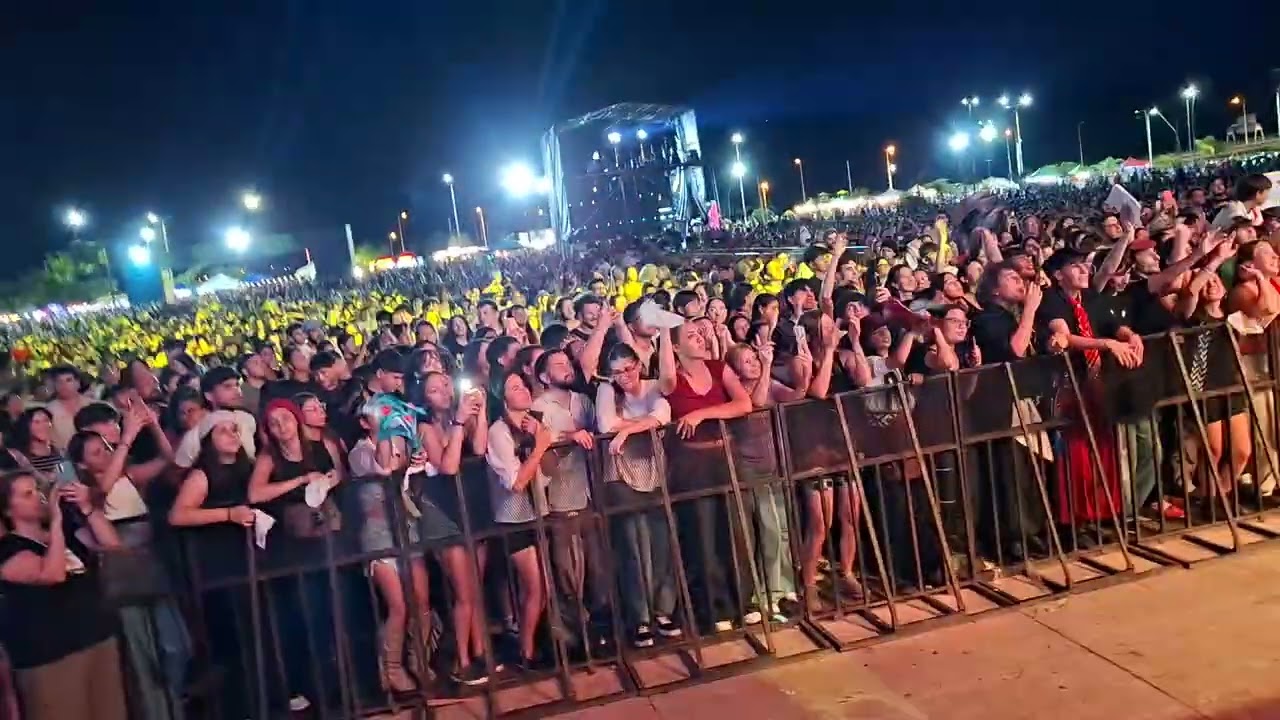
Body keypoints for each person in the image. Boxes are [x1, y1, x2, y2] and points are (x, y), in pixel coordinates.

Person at [0, 470, 127, 720]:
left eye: (38, 490)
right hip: (51, 656)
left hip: (95, 636)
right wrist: (56, 523)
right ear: (7, 510)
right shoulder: (8, 550)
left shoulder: (66, 532)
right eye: (28, 494)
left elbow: (113, 546)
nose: (39, 497)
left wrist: (88, 508)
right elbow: (52, 574)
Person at [657, 318, 757, 632]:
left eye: (700, 333)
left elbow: (744, 403)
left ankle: (742, 601)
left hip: (725, 459)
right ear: (675, 347)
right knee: (703, 536)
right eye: (690, 336)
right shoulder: (673, 380)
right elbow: (665, 377)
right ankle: (714, 609)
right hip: (691, 467)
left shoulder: (718, 368)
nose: (700, 338)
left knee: (736, 532)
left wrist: (702, 413)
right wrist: (662, 327)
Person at [596, 343, 680, 646]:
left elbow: (664, 415)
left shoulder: (653, 386)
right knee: (633, 546)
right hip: (620, 474)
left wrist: (627, 430)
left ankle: (664, 611)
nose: (623, 376)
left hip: (655, 471)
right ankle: (641, 617)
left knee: (661, 544)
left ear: (638, 365)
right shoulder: (606, 390)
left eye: (628, 369)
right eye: (617, 372)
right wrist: (642, 426)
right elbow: (606, 423)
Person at [485, 371, 553, 670]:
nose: (523, 390)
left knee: (543, 588)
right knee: (534, 587)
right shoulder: (499, 431)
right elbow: (514, 482)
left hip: (537, 510)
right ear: (502, 397)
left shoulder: (533, 422)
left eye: (523, 385)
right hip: (514, 518)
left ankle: (531, 648)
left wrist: (543, 439)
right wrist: (540, 445)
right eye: (514, 387)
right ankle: (525, 652)